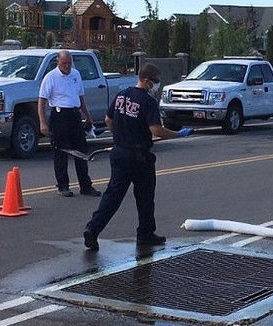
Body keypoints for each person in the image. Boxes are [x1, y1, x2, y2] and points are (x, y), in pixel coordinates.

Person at [83, 63, 194, 250]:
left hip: (119, 152)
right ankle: (145, 234)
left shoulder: (121, 95)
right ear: (146, 81)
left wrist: (121, 134)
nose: (157, 85)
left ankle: (93, 230)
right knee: (145, 196)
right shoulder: (147, 101)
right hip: (139, 156)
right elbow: (156, 130)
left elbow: (109, 120)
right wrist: (178, 134)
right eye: (156, 82)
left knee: (112, 196)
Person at [38, 50, 101, 198]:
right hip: (59, 115)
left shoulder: (76, 74)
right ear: (58, 62)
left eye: (69, 63)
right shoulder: (51, 77)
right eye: (64, 63)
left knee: (80, 151)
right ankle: (63, 185)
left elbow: (80, 97)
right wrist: (42, 122)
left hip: (74, 114)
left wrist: (87, 115)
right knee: (61, 151)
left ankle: (85, 186)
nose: (67, 66)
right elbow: (41, 101)